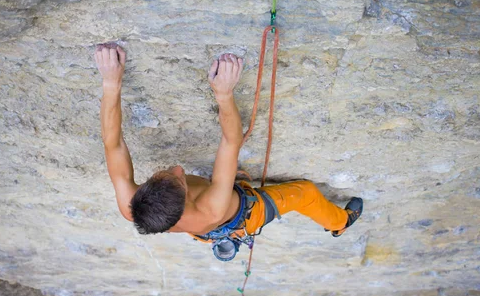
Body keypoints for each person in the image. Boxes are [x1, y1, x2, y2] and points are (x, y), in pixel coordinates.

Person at [94, 43, 363, 261]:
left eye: (162, 174)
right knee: (305, 193)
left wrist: (110, 82)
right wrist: (224, 94)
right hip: (243, 213)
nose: (177, 168)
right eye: (179, 178)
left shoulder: (132, 207)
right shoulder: (211, 208)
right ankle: (340, 222)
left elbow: (112, 143)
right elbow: (231, 141)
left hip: (206, 220)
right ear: (187, 198)